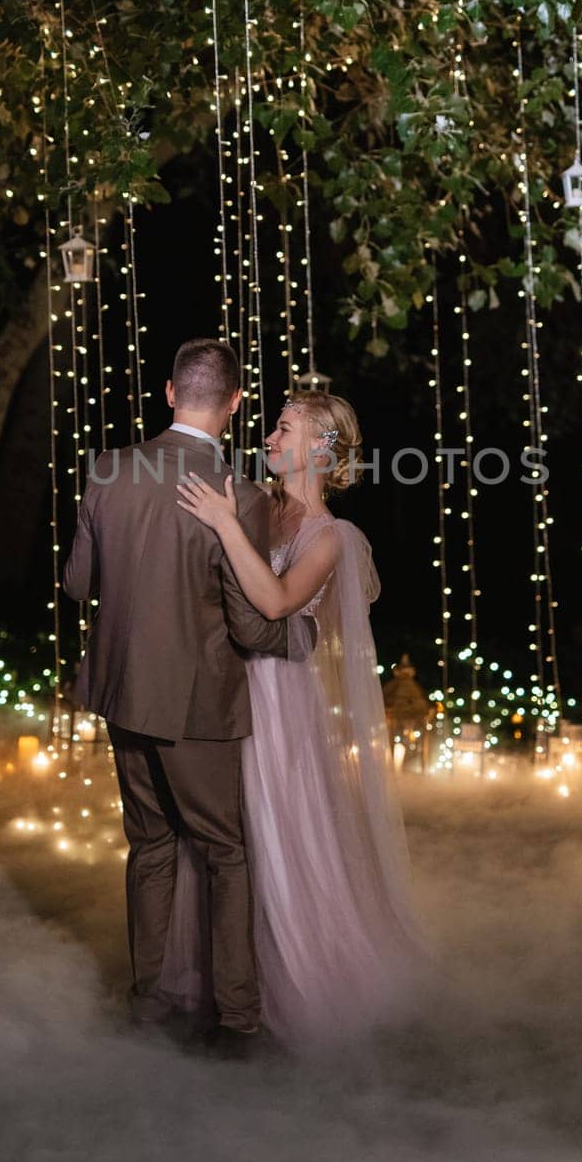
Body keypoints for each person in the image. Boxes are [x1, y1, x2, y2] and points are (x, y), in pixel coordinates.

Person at [63, 338, 315, 1054]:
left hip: (118, 691)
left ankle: (146, 1002)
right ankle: (236, 1020)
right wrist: (304, 638)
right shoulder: (238, 493)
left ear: (171, 393)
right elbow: (246, 619)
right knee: (224, 851)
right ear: (235, 405)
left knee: (148, 844)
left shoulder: (108, 468)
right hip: (193, 702)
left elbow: (80, 584)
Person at [174, 389, 425, 1049]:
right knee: (219, 834)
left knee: (271, 829)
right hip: (225, 687)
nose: (269, 437)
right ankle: (225, 981)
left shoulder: (333, 536)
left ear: (320, 446)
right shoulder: (259, 511)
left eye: (285, 429)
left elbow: (281, 600)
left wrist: (226, 526)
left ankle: (290, 982)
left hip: (279, 698)